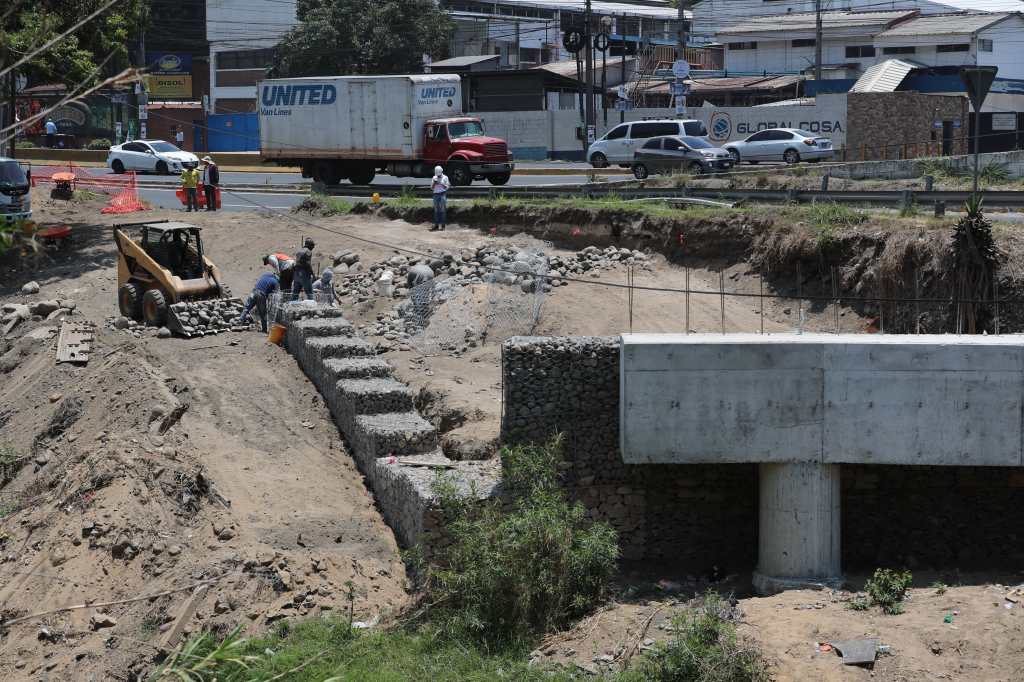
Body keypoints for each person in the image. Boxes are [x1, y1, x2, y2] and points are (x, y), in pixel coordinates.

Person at [430, 165, 450, 232]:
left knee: (443, 210)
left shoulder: (445, 177)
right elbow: (432, 188)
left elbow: (447, 187)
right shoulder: (434, 177)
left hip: (442, 194)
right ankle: (436, 225)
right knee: (436, 210)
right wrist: (434, 184)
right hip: (435, 195)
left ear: (441, 171)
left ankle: (443, 225)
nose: (438, 176)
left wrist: (441, 183)